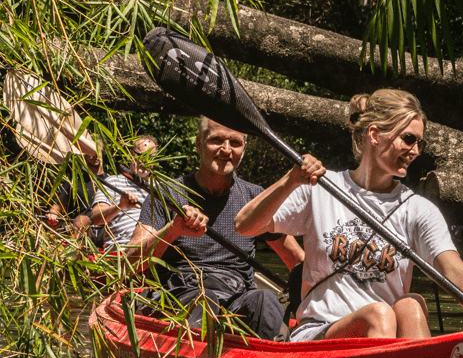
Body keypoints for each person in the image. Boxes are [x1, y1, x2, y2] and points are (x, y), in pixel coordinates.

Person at [234, 89, 463, 342]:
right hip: (319, 333)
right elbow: (244, 225)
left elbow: (454, 270)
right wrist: (291, 180)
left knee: (411, 304)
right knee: (379, 314)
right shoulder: (321, 189)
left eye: (420, 142)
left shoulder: (418, 209)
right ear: (375, 134)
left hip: (385, 339)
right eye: (408, 139)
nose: (416, 151)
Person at [127, 117, 303, 339]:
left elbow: (298, 261)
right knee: (204, 300)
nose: (226, 149)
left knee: (266, 299)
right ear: (199, 144)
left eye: (235, 143)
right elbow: (131, 262)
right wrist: (174, 229)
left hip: (237, 297)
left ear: (244, 149)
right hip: (180, 295)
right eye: (216, 140)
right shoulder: (166, 194)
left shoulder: (254, 199)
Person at [90, 136, 158, 248]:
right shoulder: (112, 182)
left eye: (150, 157)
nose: (145, 161)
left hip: (152, 251)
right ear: (131, 154)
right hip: (120, 250)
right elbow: (95, 218)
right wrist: (120, 206)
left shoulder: (160, 189)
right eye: (141, 155)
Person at [45, 149, 105, 244]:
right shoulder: (74, 181)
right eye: (91, 150)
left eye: (98, 150)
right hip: (79, 227)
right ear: (83, 153)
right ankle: (74, 251)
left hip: (106, 230)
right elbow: (55, 209)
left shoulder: (113, 181)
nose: (95, 154)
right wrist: (52, 215)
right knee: (82, 220)